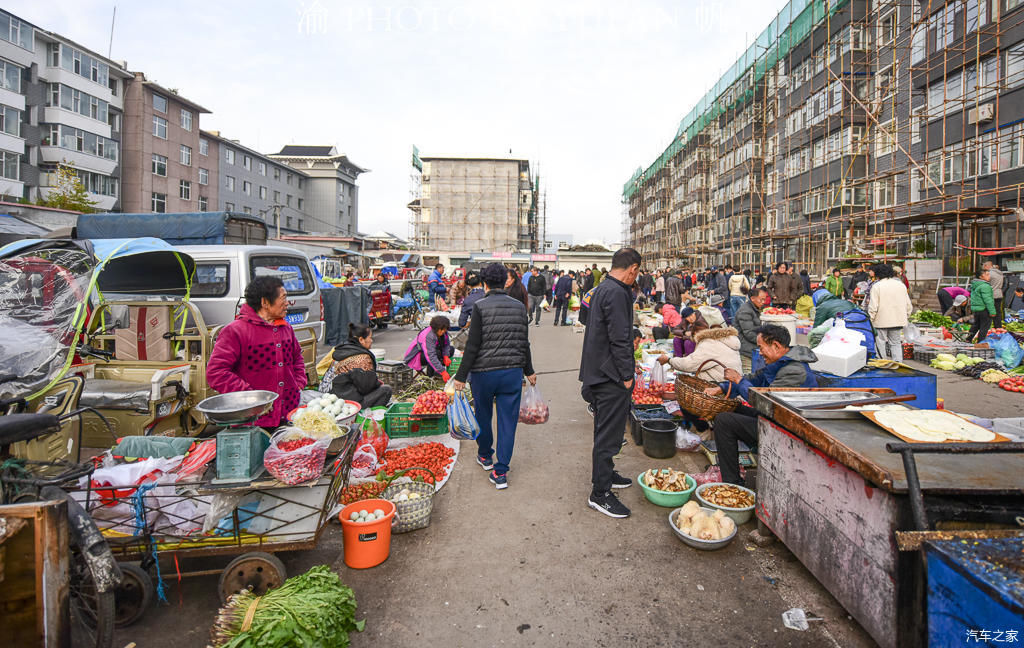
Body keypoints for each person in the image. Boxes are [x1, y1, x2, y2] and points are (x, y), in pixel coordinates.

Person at [452, 263, 536, 490]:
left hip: (484, 374)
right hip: (512, 373)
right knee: (508, 422)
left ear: (485, 283)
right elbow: (523, 342)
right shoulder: (519, 307)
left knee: (483, 415)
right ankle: (501, 472)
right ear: (505, 281)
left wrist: (460, 376)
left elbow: (473, 346)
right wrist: (529, 371)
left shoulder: (480, 306)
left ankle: (485, 456)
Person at [707, 325, 818, 485]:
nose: (759, 352)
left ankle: (732, 482)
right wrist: (721, 387)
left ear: (776, 346)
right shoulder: (779, 364)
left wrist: (738, 380)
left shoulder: (794, 370)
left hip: (787, 430)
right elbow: (753, 379)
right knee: (733, 408)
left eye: (761, 347)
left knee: (724, 421)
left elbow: (768, 402)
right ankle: (731, 472)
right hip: (774, 418)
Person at [579, 248, 642, 519]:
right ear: (633, 269)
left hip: (598, 370)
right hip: (610, 375)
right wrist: (628, 375)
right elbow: (620, 338)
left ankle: (607, 474)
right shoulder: (617, 293)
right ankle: (600, 493)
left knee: (608, 432)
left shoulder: (602, 287)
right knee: (608, 435)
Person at [207, 276, 306, 429]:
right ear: (265, 302)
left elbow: (297, 357)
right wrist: (251, 397)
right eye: (283, 298)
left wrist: (299, 382)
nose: (288, 303)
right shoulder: (236, 331)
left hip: (288, 412)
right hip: (253, 420)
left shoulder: (285, 328)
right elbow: (216, 373)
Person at [317, 323, 392, 407]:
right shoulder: (363, 358)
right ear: (361, 340)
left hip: (327, 398)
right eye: (370, 337)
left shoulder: (342, 351)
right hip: (345, 404)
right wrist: (376, 384)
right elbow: (366, 388)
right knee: (386, 390)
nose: (371, 340)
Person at [657, 325, 741, 383]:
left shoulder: (709, 344)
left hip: (720, 388)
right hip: (732, 386)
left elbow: (688, 364)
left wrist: (669, 360)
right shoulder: (725, 341)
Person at [867, 264, 914, 361]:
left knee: (880, 343)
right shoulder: (901, 285)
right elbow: (908, 305)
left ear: (878, 274)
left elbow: (873, 306)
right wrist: (906, 316)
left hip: (881, 321)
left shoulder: (877, 286)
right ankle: (898, 364)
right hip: (898, 320)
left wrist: (870, 319)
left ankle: (882, 363)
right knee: (896, 343)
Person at [403, 315, 454, 381]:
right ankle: (431, 376)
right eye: (441, 330)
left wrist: (446, 356)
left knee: (451, 349)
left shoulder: (444, 332)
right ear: (436, 328)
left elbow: (446, 345)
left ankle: (438, 370)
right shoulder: (429, 335)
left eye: (444, 330)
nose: (443, 332)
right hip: (417, 356)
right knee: (436, 353)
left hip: (430, 353)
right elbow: (431, 356)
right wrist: (443, 372)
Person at [734, 286, 766, 367]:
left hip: (752, 348)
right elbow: (749, 333)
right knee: (749, 374)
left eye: (764, 299)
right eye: (761, 299)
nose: (763, 302)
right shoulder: (745, 311)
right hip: (746, 350)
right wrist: (765, 342)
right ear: (752, 298)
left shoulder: (754, 308)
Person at [968, 268, 997, 343]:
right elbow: (988, 300)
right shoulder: (985, 286)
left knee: (975, 326)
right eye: (987, 275)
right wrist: (992, 311)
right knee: (984, 327)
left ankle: (967, 340)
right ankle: (980, 343)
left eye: (989, 274)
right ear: (981, 277)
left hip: (976, 309)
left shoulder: (975, 284)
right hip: (984, 309)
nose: (989, 276)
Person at [984, 261, 1005, 329]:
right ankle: (998, 327)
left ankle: (987, 328)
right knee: (998, 312)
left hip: (991, 294)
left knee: (988, 312)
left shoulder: (989, 274)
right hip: (999, 293)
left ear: (987, 266)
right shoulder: (1000, 273)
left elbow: (985, 284)